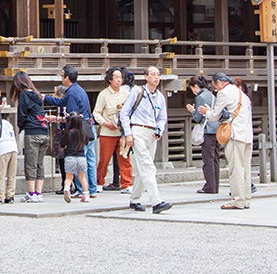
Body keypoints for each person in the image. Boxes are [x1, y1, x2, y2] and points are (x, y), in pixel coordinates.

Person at [119, 65, 172, 214]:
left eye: (158, 74)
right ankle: (156, 202)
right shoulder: (137, 91)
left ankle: (134, 199)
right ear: (146, 77)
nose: (156, 77)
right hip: (138, 130)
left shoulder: (160, 96)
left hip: (152, 133)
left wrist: (159, 129)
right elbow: (124, 113)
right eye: (153, 74)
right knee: (148, 166)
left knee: (143, 167)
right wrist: (128, 133)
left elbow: (162, 118)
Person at [43, 66, 98, 198]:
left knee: (78, 158)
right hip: (88, 127)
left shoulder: (72, 93)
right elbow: (62, 102)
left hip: (79, 132)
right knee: (89, 159)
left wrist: (58, 121)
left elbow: (71, 116)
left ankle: (81, 189)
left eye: (62, 76)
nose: (62, 78)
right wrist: (46, 98)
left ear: (67, 77)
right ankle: (92, 188)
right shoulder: (78, 90)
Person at [201, 72, 253, 210]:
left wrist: (206, 112)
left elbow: (214, 115)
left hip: (235, 134)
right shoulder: (242, 94)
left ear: (219, 83)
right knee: (245, 168)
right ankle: (246, 199)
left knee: (236, 169)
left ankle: (237, 200)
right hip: (247, 134)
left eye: (215, 87)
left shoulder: (224, 93)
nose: (216, 90)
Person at [10, 71, 49, 202]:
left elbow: (22, 116)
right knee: (40, 164)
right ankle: (39, 192)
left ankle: (32, 193)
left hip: (32, 131)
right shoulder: (37, 94)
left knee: (30, 164)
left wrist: (21, 128)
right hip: (44, 131)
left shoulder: (24, 95)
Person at [93, 67, 132, 192]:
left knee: (125, 158)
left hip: (122, 132)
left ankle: (127, 184)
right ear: (110, 79)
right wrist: (105, 123)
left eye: (120, 77)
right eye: (116, 77)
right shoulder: (103, 94)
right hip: (107, 131)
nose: (119, 80)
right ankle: (99, 182)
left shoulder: (126, 94)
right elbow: (96, 112)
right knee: (104, 160)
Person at [185, 74, 220, 194]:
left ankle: (210, 186)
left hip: (207, 130)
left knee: (208, 159)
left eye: (192, 88)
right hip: (217, 129)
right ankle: (215, 185)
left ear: (195, 87)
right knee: (215, 159)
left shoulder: (200, 97)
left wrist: (192, 111)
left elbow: (198, 117)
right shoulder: (212, 95)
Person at [59, 113, 90, 202]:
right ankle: (86, 195)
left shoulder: (68, 133)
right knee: (82, 177)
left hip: (70, 157)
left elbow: (62, 144)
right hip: (81, 157)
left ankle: (67, 188)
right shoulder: (83, 133)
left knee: (69, 177)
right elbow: (86, 143)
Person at [0, 115, 18, 204]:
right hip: (13, 147)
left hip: (2, 149)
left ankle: (0, 196)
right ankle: (10, 196)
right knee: (12, 175)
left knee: (1, 175)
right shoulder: (8, 123)